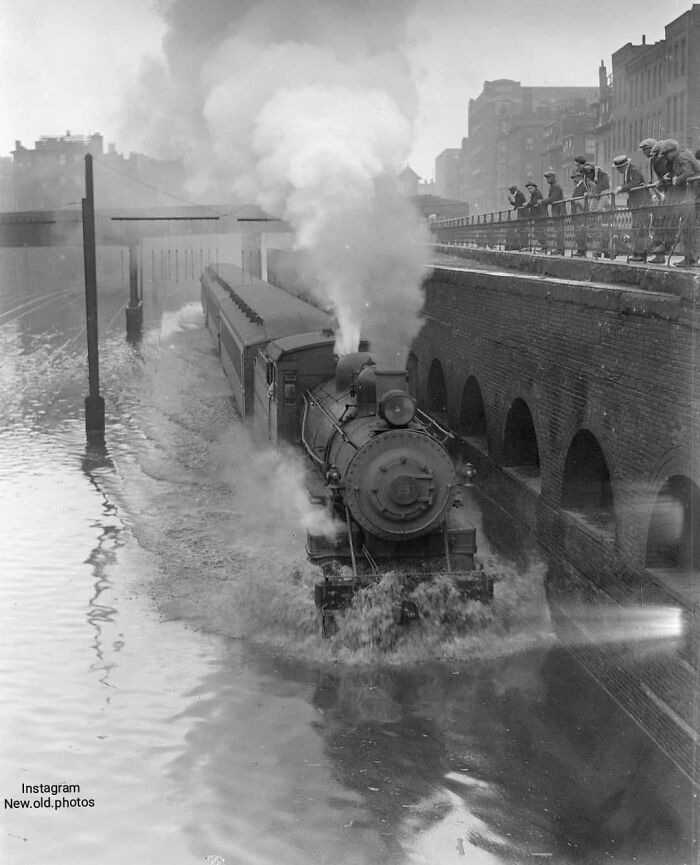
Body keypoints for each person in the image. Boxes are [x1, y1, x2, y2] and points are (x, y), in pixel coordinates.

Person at [656, 139, 700, 267]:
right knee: (688, 227)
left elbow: (689, 172)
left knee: (691, 227)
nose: (666, 158)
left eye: (666, 154)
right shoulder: (677, 158)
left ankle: (692, 258)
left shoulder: (681, 157)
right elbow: (678, 173)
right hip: (691, 196)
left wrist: (678, 179)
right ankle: (690, 258)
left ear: (672, 151)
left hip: (695, 195)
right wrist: (667, 179)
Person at [638, 138, 671, 263]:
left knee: (661, 225)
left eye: (645, 149)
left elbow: (664, 176)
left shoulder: (658, 160)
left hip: (665, 194)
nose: (644, 153)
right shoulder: (655, 160)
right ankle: (659, 255)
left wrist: (659, 190)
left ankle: (660, 255)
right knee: (658, 225)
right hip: (662, 193)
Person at [613, 154, 650, 262]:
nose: (618, 170)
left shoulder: (633, 170)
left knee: (640, 227)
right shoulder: (628, 172)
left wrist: (621, 188)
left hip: (641, 203)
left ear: (623, 166)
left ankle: (641, 253)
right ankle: (638, 252)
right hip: (636, 203)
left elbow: (635, 183)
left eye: (618, 168)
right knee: (636, 227)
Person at [540, 171, 566, 254]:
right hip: (556, 211)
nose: (547, 179)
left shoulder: (556, 186)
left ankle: (560, 249)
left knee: (560, 230)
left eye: (549, 177)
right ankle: (559, 248)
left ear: (553, 178)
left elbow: (553, 198)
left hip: (559, 211)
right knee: (558, 230)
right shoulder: (552, 186)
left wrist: (542, 201)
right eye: (547, 178)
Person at [524, 181, 546, 251]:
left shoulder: (536, 193)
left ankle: (545, 246)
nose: (529, 190)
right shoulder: (535, 193)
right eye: (528, 189)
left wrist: (527, 204)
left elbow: (534, 201)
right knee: (538, 231)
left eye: (530, 188)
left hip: (539, 215)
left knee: (537, 231)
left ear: (534, 187)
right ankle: (544, 246)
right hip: (537, 215)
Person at [507, 185, 527, 250]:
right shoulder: (517, 194)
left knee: (522, 229)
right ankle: (522, 245)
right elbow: (517, 204)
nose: (510, 192)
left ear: (514, 190)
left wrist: (515, 207)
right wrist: (511, 202)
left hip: (523, 213)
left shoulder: (519, 194)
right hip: (521, 213)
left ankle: (524, 245)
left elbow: (518, 204)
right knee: (520, 229)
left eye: (511, 191)